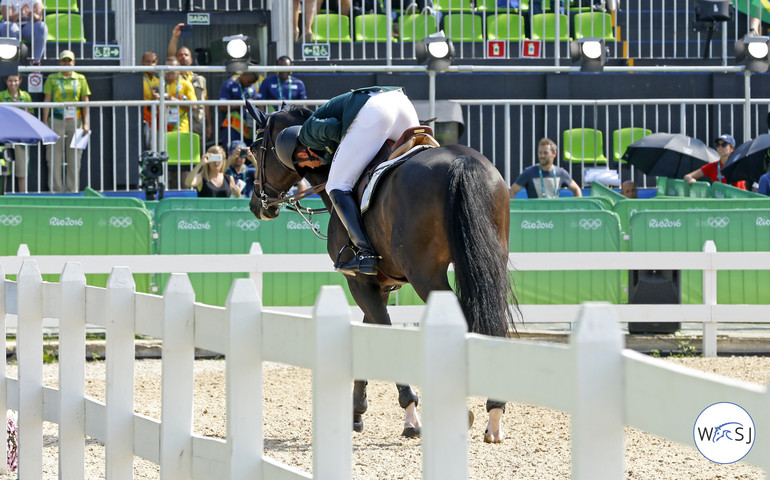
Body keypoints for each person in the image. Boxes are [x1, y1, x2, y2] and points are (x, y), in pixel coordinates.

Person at [273, 86, 420, 276]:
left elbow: (334, 129)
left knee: (336, 185)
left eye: (306, 165)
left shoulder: (307, 133)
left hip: (375, 111)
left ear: (302, 153)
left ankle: (365, 253)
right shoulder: (314, 136)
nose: (313, 166)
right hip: (403, 104)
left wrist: (340, 150)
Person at [42, 50, 91, 193]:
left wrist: (86, 123)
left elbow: (85, 102)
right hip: (56, 120)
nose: (66, 63)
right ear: (59, 62)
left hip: (75, 120)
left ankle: (72, 191)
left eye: (69, 60)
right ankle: (55, 190)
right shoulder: (52, 78)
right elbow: (47, 100)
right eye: (64, 60)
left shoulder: (80, 78)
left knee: (74, 160)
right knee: (53, 158)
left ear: (74, 62)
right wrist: (45, 122)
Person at [168, 23, 212, 148]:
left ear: (191, 59)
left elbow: (206, 104)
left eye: (186, 54)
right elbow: (170, 56)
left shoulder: (200, 79)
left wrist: (209, 125)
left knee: (198, 154)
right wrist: (175, 37)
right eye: (180, 55)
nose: (183, 57)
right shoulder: (174, 78)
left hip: (198, 123)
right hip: (180, 123)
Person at [509, 138, 583, 199]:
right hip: (535, 216)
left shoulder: (561, 173)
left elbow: (577, 190)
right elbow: (512, 191)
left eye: (545, 153)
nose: (542, 156)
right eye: (540, 153)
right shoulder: (529, 172)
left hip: (555, 215)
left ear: (554, 154)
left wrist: (577, 209)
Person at [1, 74, 32, 192]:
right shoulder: (1, 96)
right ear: (6, 81)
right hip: (5, 136)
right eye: (10, 80)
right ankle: (1, 197)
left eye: (15, 80)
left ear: (20, 81)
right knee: (3, 169)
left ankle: (23, 197)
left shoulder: (26, 96)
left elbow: (30, 114)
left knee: (21, 169)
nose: (13, 83)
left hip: (21, 136)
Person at [219, 71, 260, 151]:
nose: (250, 85)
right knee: (233, 152)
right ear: (244, 75)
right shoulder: (229, 84)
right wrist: (243, 104)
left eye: (252, 83)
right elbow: (222, 106)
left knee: (248, 153)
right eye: (249, 82)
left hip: (249, 128)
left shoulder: (252, 87)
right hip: (233, 127)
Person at [155, 57, 197, 133]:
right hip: (161, 128)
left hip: (180, 128)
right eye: (167, 69)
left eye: (172, 69)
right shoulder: (157, 84)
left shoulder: (186, 84)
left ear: (178, 70)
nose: (169, 72)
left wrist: (172, 100)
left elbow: (194, 106)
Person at [0, 0, 48, 65]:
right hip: (13, 27)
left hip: (28, 28)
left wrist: (31, 14)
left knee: (42, 27)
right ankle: (11, 63)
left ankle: (35, 63)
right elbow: (6, 18)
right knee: (6, 26)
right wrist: (20, 14)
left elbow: (39, 18)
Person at [140, 51, 159, 151]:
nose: (151, 65)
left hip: (156, 121)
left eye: (153, 62)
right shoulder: (139, 79)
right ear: (142, 63)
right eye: (148, 62)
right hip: (143, 121)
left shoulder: (159, 80)